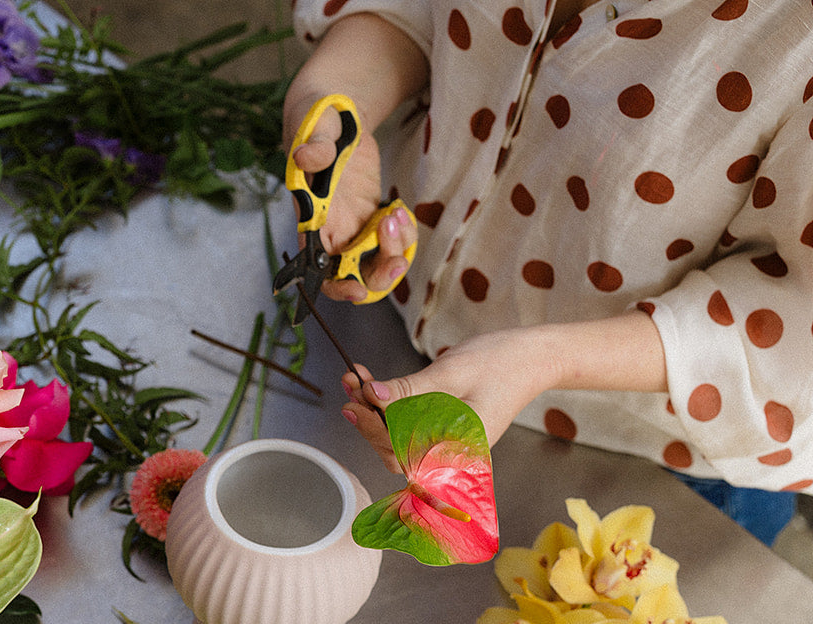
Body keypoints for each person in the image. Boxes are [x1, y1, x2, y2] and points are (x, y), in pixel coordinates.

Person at [285, 0, 813, 545]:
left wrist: (540, 359)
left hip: (649, 467)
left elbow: (799, 342)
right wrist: (331, 111)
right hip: (390, 316)